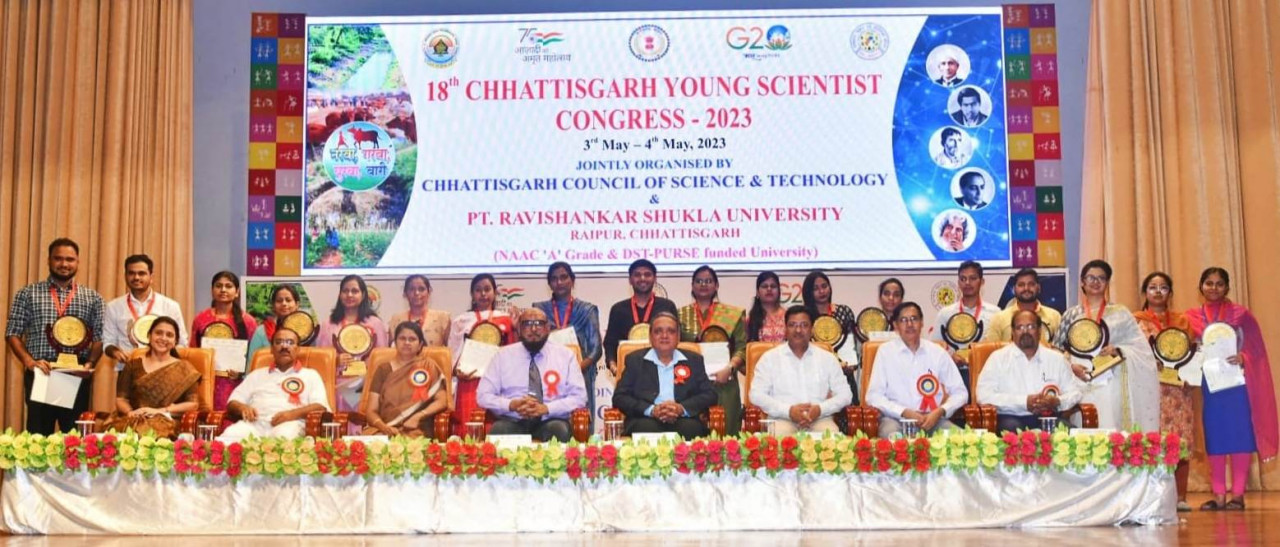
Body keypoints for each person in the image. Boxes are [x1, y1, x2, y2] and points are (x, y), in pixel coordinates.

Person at [1185, 267, 1278, 511]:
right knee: (1215, 439)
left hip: (1237, 384)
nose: (1213, 288)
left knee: (1239, 437)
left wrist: (1243, 357)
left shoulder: (1241, 315)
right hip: (1209, 386)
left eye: (1219, 284)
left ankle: (1237, 495)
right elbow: (1185, 349)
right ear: (1200, 287)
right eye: (1209, 283)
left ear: (1227, 287)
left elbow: (1256, 348)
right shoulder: (1190, 318)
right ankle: (1218, 496)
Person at [5, 238, 104, 434]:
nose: (64, 264)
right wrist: (29, 362)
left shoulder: (93, 298)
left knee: (74, 436)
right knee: (39, 435)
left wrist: (90, 364)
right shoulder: (28, 293)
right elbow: (12, 332)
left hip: (75, 373)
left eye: (70, 259)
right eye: (58, 258)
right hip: (43, 371)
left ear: (78, 262)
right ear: (48, 260)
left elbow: (100, 337)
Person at [1052, 260, 1158, 431]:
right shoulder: (1070, 314)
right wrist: (1071, 367)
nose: (1096, 282)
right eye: (1091, 278)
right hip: (1078, 381)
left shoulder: (1121, 313)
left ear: (1107, 283)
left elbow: (1141, 350)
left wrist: (1119, 350)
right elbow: (1057, 352)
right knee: (1083, 429)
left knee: (1111, 427)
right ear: (1082, 282)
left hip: (1112, 381)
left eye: (1101, 278)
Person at [1132, 271, 1194, 512]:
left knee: (1179, 440)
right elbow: (1131, 353)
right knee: (1149, 439)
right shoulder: (1135, 321)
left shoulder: (1182, 321)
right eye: (1152, 287)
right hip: (1148, 387)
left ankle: (1180, 497)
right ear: (1145, 292)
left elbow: (1192, 352)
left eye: (1163, 287)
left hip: (1178, 390)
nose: (1158, 292)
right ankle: (1148, 496)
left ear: (1170, 293)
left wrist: (1189, 374)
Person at [477, 308, 588, 442]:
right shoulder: (502, 356)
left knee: (559, 431)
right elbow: (483, 395)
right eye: (527, 324)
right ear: (519, 329)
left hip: (550, 419)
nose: (534, 329)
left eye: (539, 323)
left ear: (548, 328)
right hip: (512, 419)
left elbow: (579, 397)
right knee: (499, 432)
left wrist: (546, 408)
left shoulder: (565, 356)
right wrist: (511, 404)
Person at [866, 302, 968, 437]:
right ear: (896, 325)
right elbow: (874, 396)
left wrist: (941, 411)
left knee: (961, 439)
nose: (909, 324)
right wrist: (903, 412)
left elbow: (960, 392)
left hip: (932, 420)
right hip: (896, 419)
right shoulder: (885, 352)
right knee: (892, 438)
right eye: (903, 320)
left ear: (922, 322)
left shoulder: (938, 352)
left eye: (914, 319)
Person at [749, 306, 852, 435]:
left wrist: (820, 409)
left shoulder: (827, 358)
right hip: (782, 419)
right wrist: (788, 411)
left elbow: (845, 395)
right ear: (785, 329)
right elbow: (756, 395)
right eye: (792, 325)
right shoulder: (769, 358)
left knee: (831, 438)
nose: (798, 330)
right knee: (778, 440)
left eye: (804, 325)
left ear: (812, 329)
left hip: (819, 419)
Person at [613, 312, 716, 440]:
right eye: (658, 331)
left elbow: (710, 394)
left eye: (671, 331)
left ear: (678, 337)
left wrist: (681, 408)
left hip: (684, 420)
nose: (664, 336)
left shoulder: (693, 360)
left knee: (691, 429)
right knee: (644, 429)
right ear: (650, 337)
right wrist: (651, 410)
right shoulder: (635, 360)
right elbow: (620, 397)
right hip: (645, 420)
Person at [977, 310, 1084, 432]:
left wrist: (1058, 401)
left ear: (1039, 331)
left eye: (1030, 327)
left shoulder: (1056, 359)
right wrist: (1023, 402)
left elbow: (1075, 392)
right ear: (1012, 332)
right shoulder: (998, 359)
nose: (1025, 332)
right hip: (1010, 418)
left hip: (1049, 418)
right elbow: (984, 395)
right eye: (1019, 327)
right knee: (1013, 432)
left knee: (1071, 434)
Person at [219, 328, 330, 442]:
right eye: (278, 342)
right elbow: (233, 402)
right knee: (229, 437)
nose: (284, 346)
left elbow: (320, 406)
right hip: (254, 424)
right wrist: (243, 407)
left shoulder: (310, 375)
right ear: (271, 349)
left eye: (290, 342)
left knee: (283, 437)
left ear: (298, 349)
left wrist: (291, 414)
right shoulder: (256, 375)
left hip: (290, 424)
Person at [100, 317, 201, 437]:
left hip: (166, 421)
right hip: (133, 418)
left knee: (148, 431)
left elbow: (193, 404)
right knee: (114, 436)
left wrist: (160, 411)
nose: (163, 338)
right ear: (149, 336)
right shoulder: (133, 365)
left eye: (169, 335)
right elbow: (121, 400)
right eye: (158, 333)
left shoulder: (185, 369)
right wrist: (131, 412)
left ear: (175, 341)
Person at [678, 266, 747, 435]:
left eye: (708, 281)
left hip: (723, 381)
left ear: (716, 285)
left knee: (726, 434)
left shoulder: (732, 314)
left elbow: (742, 347)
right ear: (692, 285)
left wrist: (729, 368)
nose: (703, 284)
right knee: (692, 433)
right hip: (690, 383)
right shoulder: (679, 315)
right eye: (699, 281)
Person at [447, 274, 517, 437]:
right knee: (469, 429)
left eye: (487, 289)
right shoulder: (461, 321)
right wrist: (456, 371)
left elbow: (513, 352)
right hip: (470, 380)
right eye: (478, 290)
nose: (483, 294)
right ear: (472, 294)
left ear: (495, 293)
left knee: (496, 428)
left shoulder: (506, 319)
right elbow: (453, 352)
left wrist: (515, 329)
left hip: (498, 382)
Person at [532, 262, 602, 421]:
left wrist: (575, 369)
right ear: (549, 284)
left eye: (564, 277)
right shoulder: (539, 310)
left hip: (580, 372)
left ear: (572, 280)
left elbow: (596, 349)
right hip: (547, 373)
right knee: (549, 421)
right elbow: (533, 343)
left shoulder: (587, 310)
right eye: (554, 279)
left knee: (579, 421)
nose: (559, 282)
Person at [362, 321, 449, 438]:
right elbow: (371, 410)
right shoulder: (383, 369)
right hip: (384, 430)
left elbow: (442, 401)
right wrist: (384, 427)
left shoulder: (428, 367)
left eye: (412, 339)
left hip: (416, 429)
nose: (407, 342)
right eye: (402, 338)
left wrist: (418, 416)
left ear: (420, 345)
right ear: (395, 343)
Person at [317, 275, 387, 413]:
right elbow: (321, 358)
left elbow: (383, 357)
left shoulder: (375, 323)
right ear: (340, 294)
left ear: (363, 294)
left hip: (366, 386)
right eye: (345, 291)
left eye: (354, 291)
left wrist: (369, 364)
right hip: (337, 386)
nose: (349, 295)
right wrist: (335, 360)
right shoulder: (328, 324)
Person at [102, 254, 187, 368]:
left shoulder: (170, 306)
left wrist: (165, 357)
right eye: (131, 273)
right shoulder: (113, 307)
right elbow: (108, 342)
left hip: (162, 369)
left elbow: (182, 343)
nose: (136, 277)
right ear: (125, 276)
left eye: (141, 273)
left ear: (151, 277)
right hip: (128, 368)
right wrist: (116, 352)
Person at [190, 271, 258, 410]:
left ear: (237, 292)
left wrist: (242, 372)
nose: (223, 290)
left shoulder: (248, 321)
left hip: (235, 383)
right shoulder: (201, 318)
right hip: (206, 381)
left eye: (228, 286)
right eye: (218, 286)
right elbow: (193, 351)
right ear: (212, 290)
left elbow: (254, 356)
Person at [602, 259, 678, 373]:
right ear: (630, 280)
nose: (642, 278)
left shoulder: (667, 306)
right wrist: (613, 366)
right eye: (637, 275)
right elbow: (610, 343)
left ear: (655, 279)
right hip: (627, 370)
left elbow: (676, 339)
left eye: (647, 274)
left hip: (662, 368)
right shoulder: (618, 309)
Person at [930, 260, 999, 385]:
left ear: (982, 282)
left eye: (973, 278)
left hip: (986, 373)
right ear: (958, 283)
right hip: (953, 374)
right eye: (963, 279)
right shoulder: (945, 313)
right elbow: (935, 347)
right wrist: (950, 357)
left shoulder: (995, 313)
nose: (967, 283)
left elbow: (1000, 347)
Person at [801, 270, 859, 403]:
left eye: (824, 286)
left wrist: (850, 364)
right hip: (814, 378)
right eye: (816, 288)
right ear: (808, 292)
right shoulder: (804, 316)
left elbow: (851, 343)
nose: (822, 291)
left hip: (843, 376)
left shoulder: (844, 311)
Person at [988, 268, 1062, 342]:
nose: (1026, 288)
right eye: (1021, 285)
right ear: (1014, 289)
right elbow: (991, 347)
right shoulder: (999, 319)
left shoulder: (1054, 316)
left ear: (1038, 287)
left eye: (1031, 284)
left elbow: (1059, 347)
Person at [246, 284, 307, 361]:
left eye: (288, 300)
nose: (284, 304)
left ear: (297, 304)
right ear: (273, 305)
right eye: (279, 301)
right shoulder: (261, 332)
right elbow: (252, 362)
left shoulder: (307, 331)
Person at [387, 274, 449, 347]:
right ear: (405, 293)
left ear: (429, 292)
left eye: (421, 289)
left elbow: (451, 350)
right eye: (412, 289)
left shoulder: (442, 318)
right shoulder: (396, 319)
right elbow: (390, 350)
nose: (416, 293)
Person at [746, 271, 786, 343]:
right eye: (764, 286)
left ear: (779, 292)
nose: (769, 289)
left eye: (773, 286)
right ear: (757, 292)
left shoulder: (788, 317)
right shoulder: (750, 320)